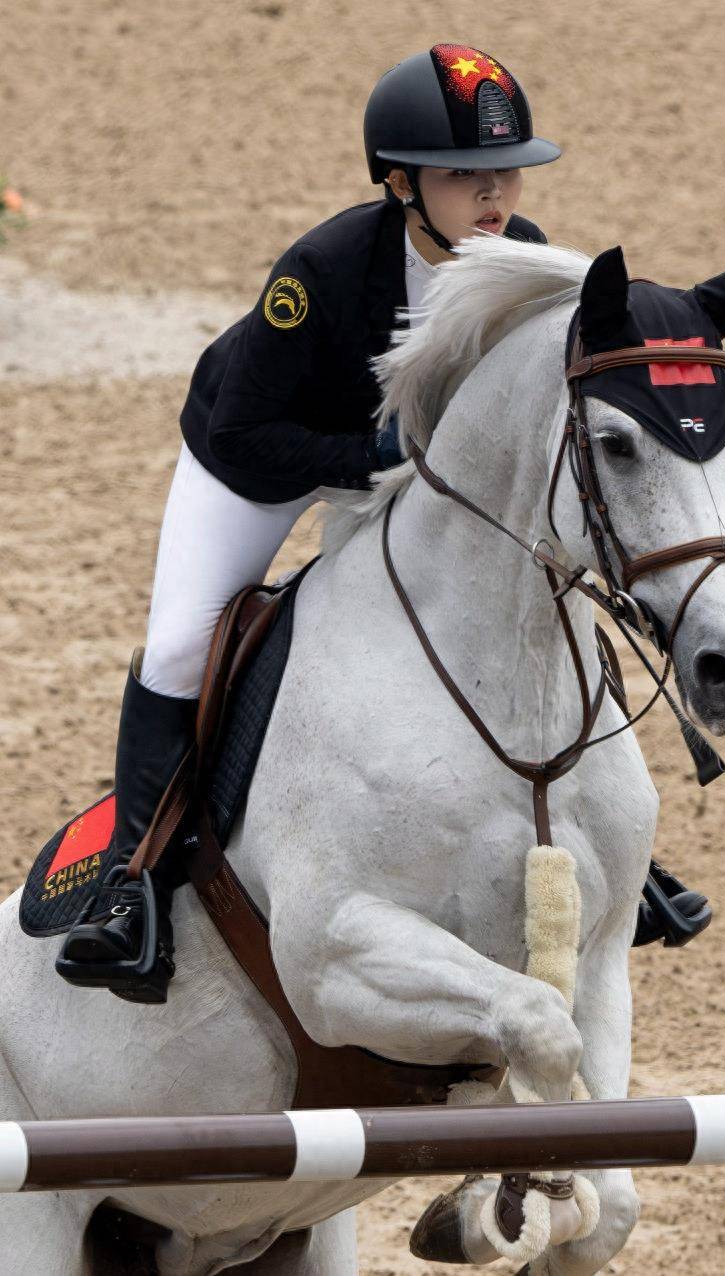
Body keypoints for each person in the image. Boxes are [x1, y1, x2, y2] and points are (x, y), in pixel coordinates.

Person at [56, 44, 559, 1003]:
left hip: (395, 466)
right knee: (177, 647)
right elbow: (248, 434)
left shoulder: (518, 256)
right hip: (258, 459)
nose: (494, 195)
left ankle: (594, 846)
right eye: (465, 177)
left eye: (505, 171)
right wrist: (370, 462)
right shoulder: (321, 271)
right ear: (402, 185)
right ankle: (132, 887)